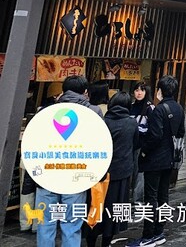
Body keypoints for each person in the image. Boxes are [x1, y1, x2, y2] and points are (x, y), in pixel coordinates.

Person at [35, 76, 103, 247]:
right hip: (76, 176)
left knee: (45, 222)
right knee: (71, 224)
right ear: (85, 92)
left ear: (63, 91)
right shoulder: (94, 112)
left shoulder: (45, 111)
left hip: (47, 174)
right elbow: (100, 144)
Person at [130, 75, 184, 247]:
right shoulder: (179, 108)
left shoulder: (159, 110)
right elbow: (181, 132)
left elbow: (155, 136)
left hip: (155, 160)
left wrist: (144, 151)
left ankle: (148, 236)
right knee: (163, 196)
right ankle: (159, 232)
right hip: (169, 159)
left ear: (160, 90)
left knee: (151, 197)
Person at [87, 92, 139, 247]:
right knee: (114, 210)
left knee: (96, 207)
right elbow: (136, 144)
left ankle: (90, 241)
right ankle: (106, 242)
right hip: (121, 173)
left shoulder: (103, 122)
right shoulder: (131, 123)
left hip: (100, 174)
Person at [129, 82, 154, 205]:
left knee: (139, 172)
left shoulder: (150, 108)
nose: (139, 93)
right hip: (130, 144)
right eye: (137, 90)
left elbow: (152, 129)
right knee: (130, 170)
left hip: (142, 144)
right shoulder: (131, 106)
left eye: (142, 90)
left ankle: (137, 199)